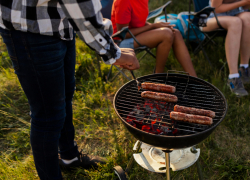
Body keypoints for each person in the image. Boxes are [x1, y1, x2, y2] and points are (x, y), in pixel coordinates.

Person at [0, 0, 139, 179]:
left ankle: (69, 157)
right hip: (29, 29)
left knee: (64, 96)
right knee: (48, 117)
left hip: (59, 21)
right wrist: (114, 53)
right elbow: (80, 5)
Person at [111, 0, 197, 77]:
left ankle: (194, 79)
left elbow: (138, 22)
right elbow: (123, 33)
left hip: (134, 34)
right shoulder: (123, 1)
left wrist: (156, 26)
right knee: (166, 34)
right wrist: (153, 26)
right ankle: (158, 77)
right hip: (120, 42)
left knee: (176, 33)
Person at [203, 0, 250, 97]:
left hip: (235, 13)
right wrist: (242, 2)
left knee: (247, 18)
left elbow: (245, 7)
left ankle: (244, 68)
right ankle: (233, 77)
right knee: (235, 22)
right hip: (211, 17)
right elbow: (216, 9)